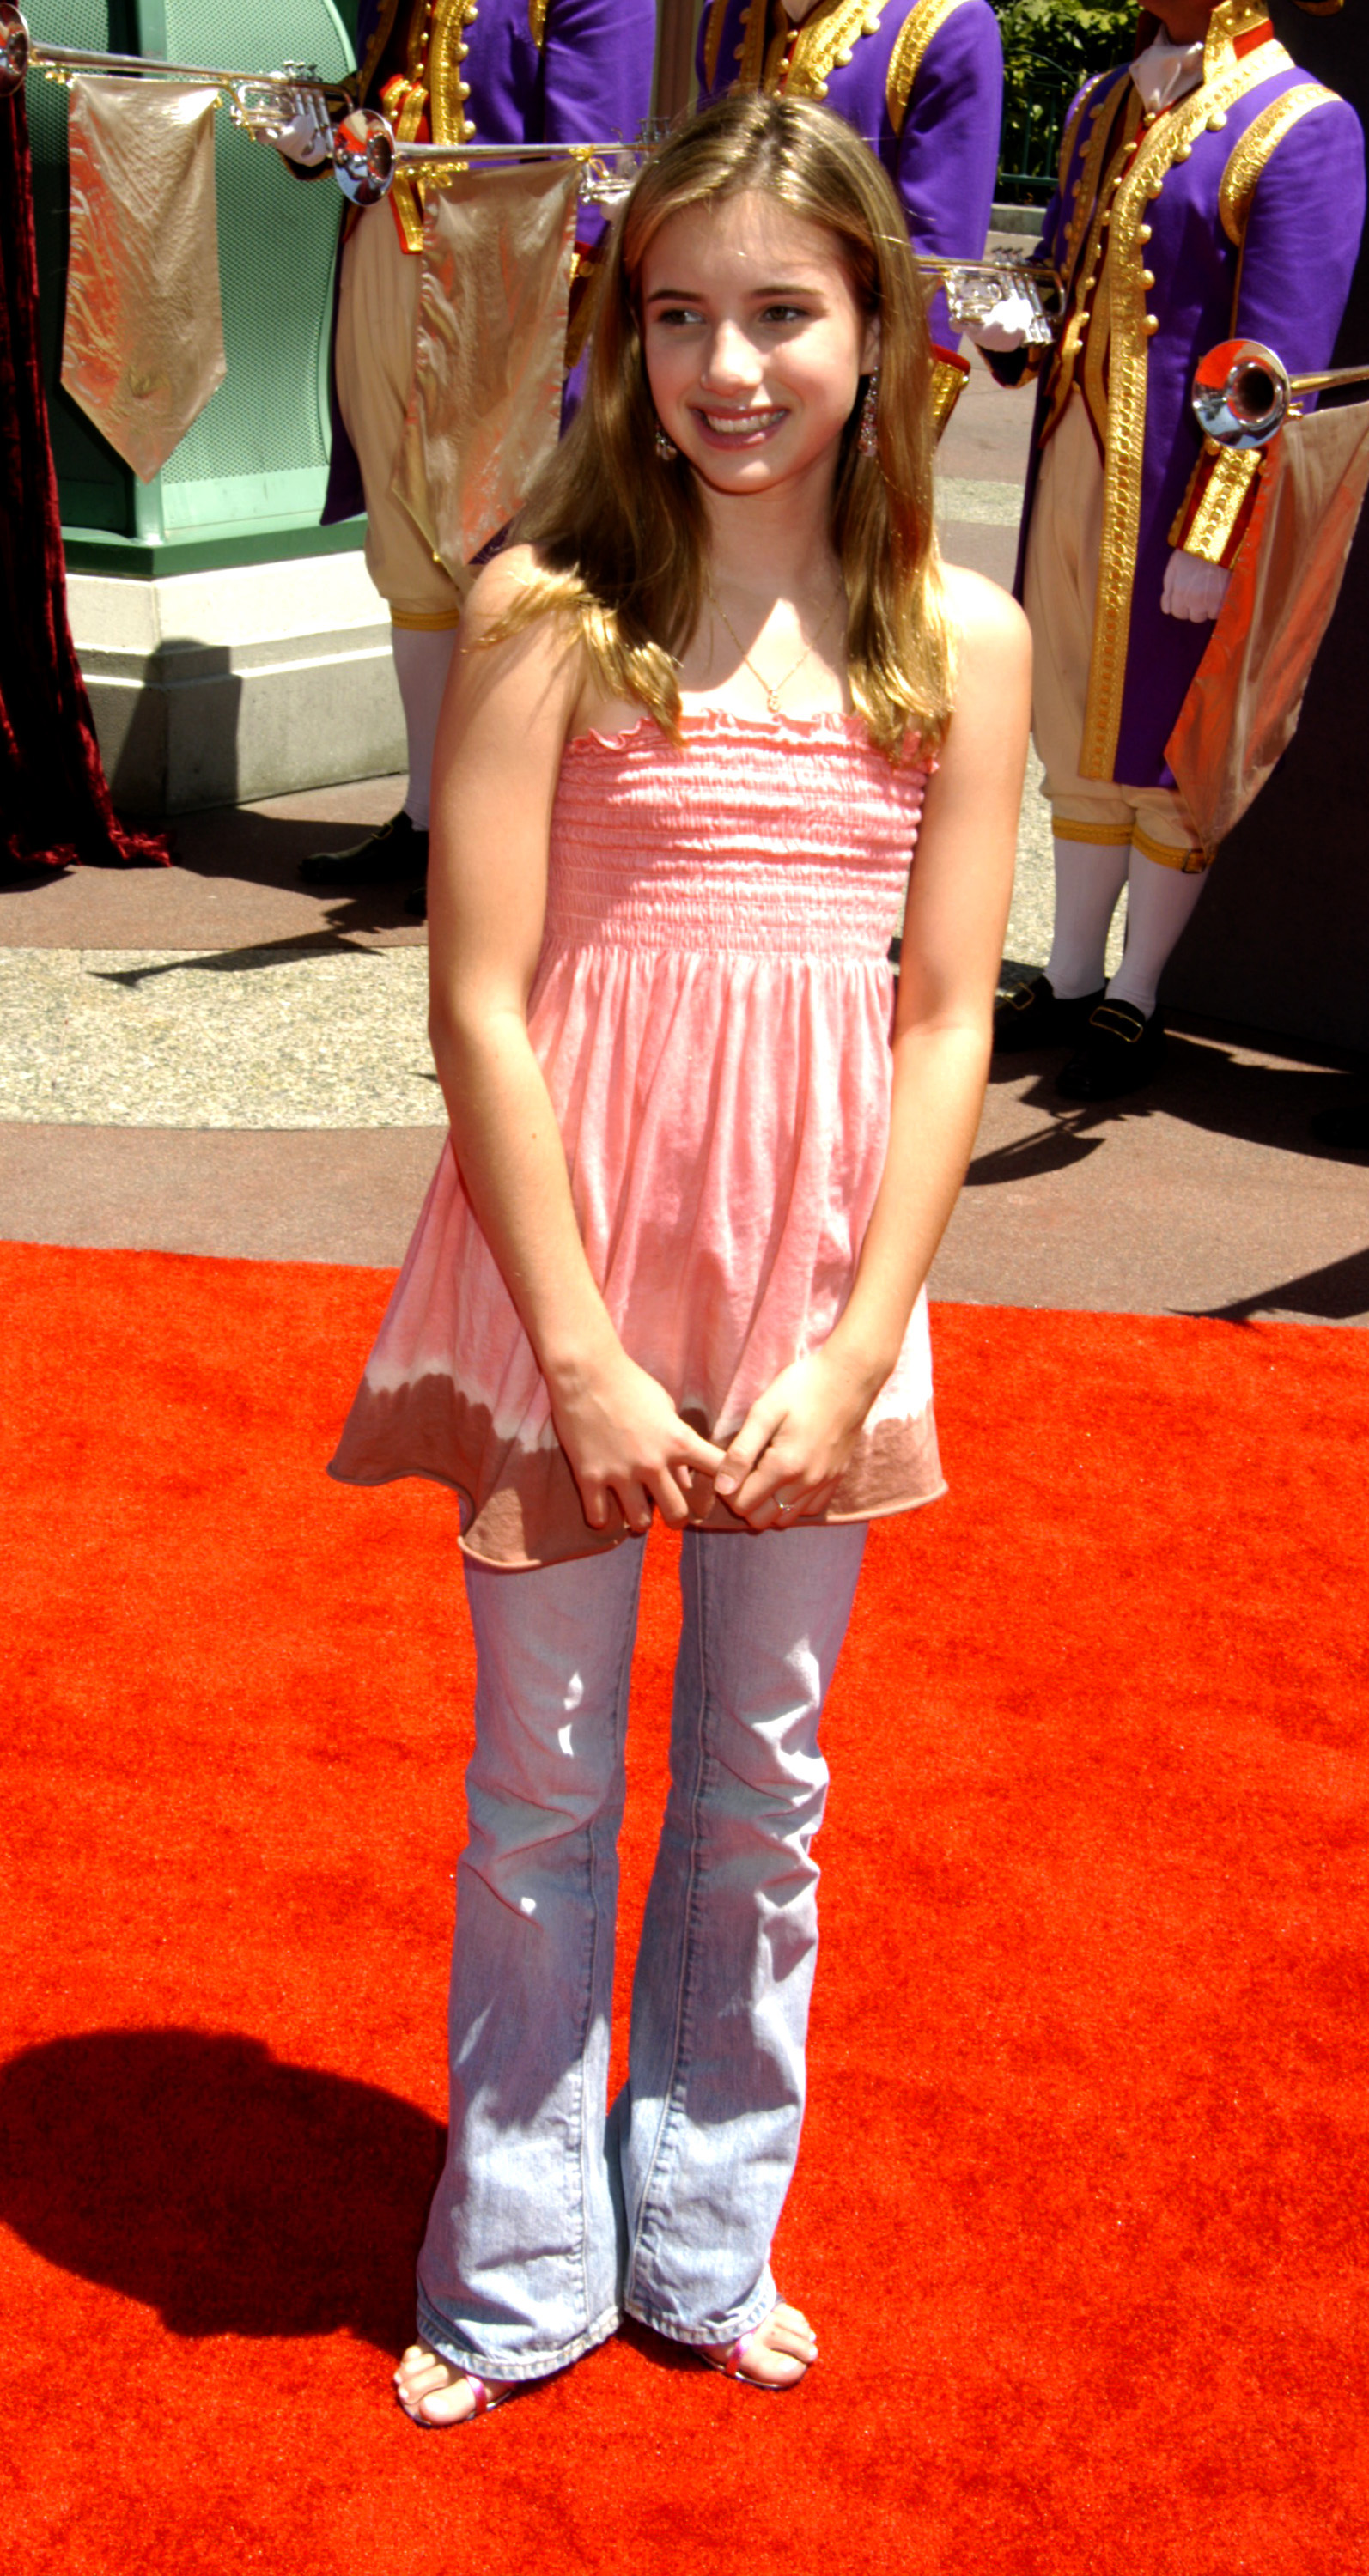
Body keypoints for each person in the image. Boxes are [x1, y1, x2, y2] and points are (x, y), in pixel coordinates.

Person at [327, 89, 1028, 2424]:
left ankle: (705, 2243)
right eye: (677, 319)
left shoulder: (966, 637)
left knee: (768, 1780)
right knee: (539, 1780)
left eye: (783, 315)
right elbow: (480, 1005)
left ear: (876, 328)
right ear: (625, 342)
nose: (730, 368)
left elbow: (945, 1023)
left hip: (819, 1287)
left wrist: (857, 1349)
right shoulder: (551, 604)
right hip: (571, 1283)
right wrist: (587, 1356)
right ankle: (517, 2266)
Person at [974, 0, 1364, 1100]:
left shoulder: (1301, 123)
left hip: (1177, 489)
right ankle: (1065, 971)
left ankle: (1135, 992)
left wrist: (1215, 532)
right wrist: (1017, 328)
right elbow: (1060, 269)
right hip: (1071, 461)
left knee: (1163, 743)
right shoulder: (1101, 99)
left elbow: (1269, 370)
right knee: (1070, 715)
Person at [280, 0, 656, 908]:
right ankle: (424, 816)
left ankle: (511, 837)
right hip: (382, 248)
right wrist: (321, 137)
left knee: (503, 547)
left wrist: (544, 306)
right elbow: (377, 98)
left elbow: (586, 161)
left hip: (498, 277)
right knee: (406, 548)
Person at [695, 0, 1004, 436]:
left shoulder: (945, 23)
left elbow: (935, 259)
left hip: (842, 379)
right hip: (716, 355)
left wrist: (885, 429)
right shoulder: (726, 16)